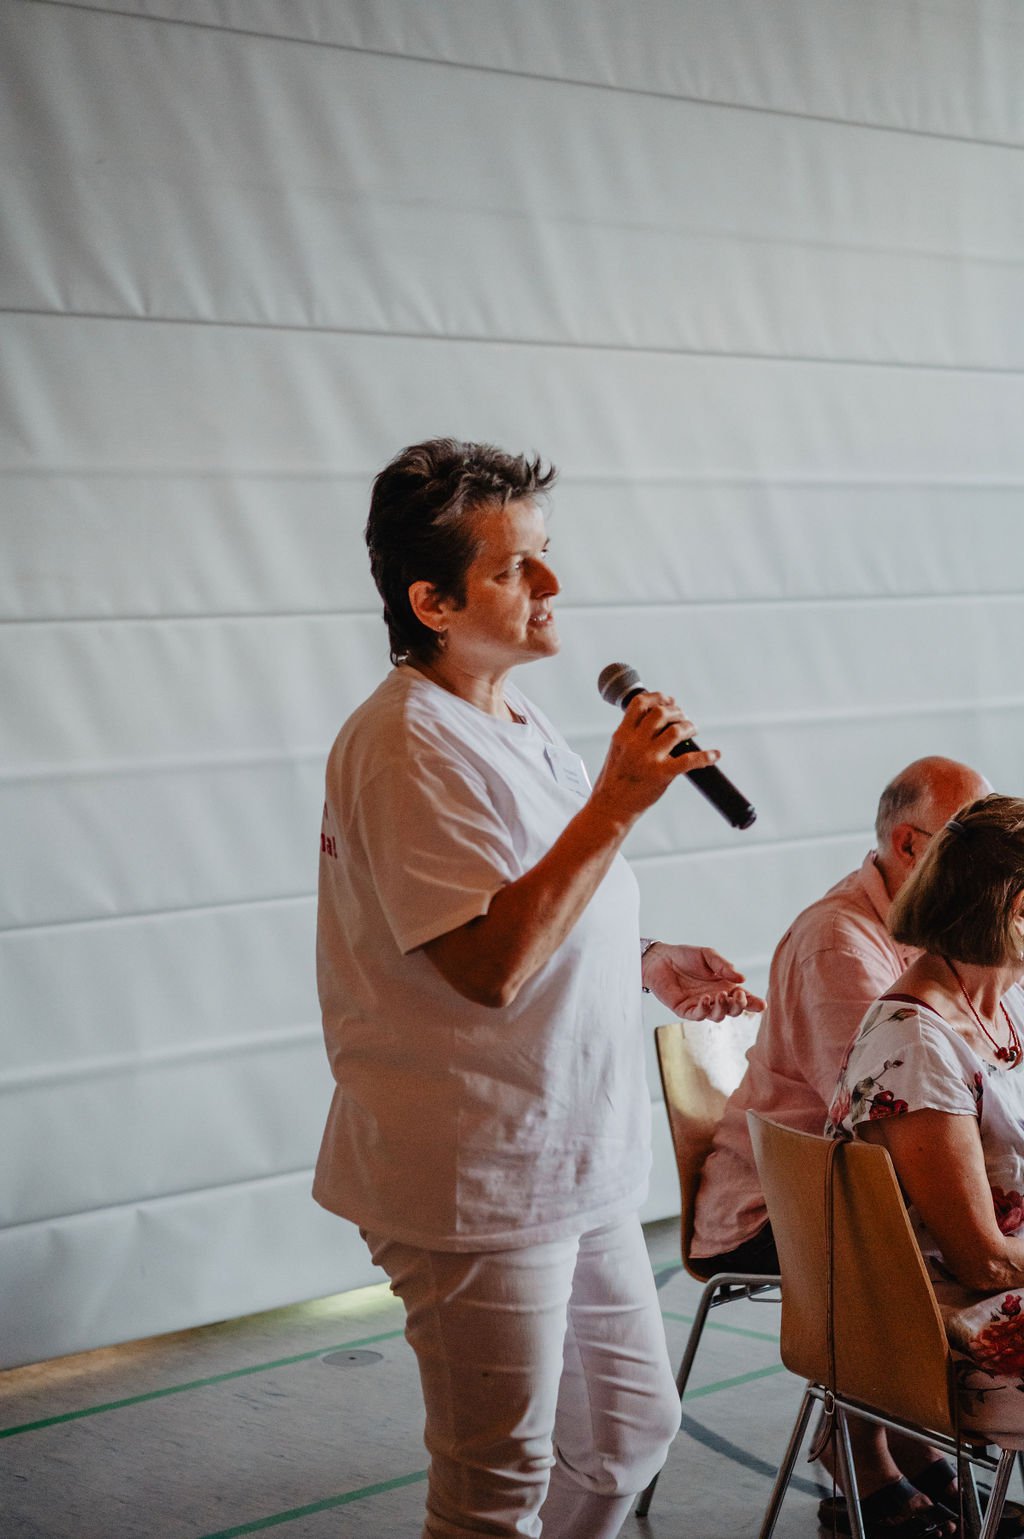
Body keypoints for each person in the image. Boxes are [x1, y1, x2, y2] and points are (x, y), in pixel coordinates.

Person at [313, 437, 765, 1539]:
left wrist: (644, 957)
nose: (552, 582)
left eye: (545, 552)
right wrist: (616, 802)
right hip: (478, 1174)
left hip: (574, 1155)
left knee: (627, 1436)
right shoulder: (406, 744)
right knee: (494, 1489)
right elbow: (486, 967)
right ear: (431, 601)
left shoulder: (510, 716)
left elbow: (528, 898)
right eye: (516, 567)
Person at [690, 755, 991, 1537]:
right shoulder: (840, 939)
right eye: (969, 840)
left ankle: (916, 1442)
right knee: (921, 1226)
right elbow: (874, 1124)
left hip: (841, 1180)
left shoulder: (931, 925)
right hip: (776, 1203)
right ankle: (860, 1453)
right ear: (909, 845)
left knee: (956, 1210)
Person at [828, 795, 1024, 1535]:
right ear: (1018, 911)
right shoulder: (917, 1042)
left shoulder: (1003, 1001)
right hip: (935, 1315)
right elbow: (980, 1259)